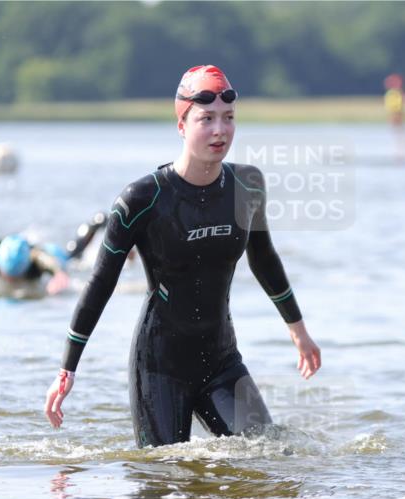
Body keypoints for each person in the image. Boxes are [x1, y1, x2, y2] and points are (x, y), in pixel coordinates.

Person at [44, 64, 321, 447]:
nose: (220, 130)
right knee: (162, 475)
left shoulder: (247, 186)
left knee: (271, 455)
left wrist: (298, 331)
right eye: (207, 119)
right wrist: (67, 368)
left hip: (222, 360)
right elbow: (100, 283)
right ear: (181, 125)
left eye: (228, 118)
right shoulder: (142, 199)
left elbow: (264, 259)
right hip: (159, 368)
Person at [0, 213, 109, 296]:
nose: (10, 281)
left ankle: (99, 222)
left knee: (73, 253)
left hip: (53, 253)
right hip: (13, 246)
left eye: (14, 277)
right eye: (8, 275)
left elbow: (45, 260)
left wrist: (59, 273)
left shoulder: (35, 260)